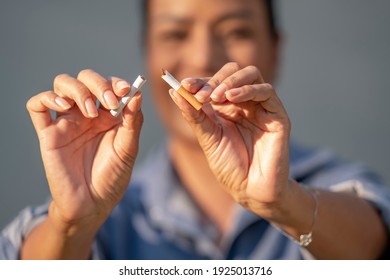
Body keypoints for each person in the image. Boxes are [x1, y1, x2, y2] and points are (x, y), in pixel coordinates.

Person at [1, 0, 390, 260]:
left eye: (236, 31)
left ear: (275, 50)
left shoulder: (331, 185)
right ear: (148, 52)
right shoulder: (113, 217)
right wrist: (72, 222)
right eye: (175, 34)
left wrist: (284, 202)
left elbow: (375, 245)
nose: (203, 56)